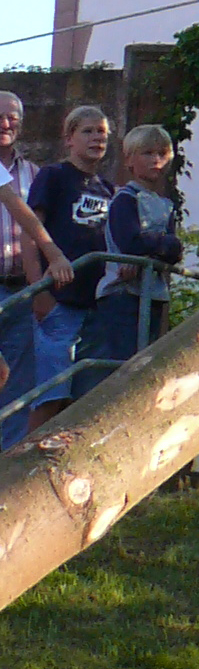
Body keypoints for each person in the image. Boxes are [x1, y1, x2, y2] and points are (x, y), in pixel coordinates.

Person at [65, 121, 185, 398]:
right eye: (147, 153)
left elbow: (175, 248)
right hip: (122, 294)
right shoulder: (125, 199)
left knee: (145, 363)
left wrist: (159, 248)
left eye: (161, 154)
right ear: (130, 159)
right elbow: (131, 241)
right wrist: (159, 247)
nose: (155, 160)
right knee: (117, 365)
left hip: (152, 294)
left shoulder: (165, 205)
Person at [21, 105, 116, 426]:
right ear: (69, 138)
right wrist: (38, 291)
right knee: (52, 393)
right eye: (88, 131)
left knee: (85, 398)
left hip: (95, 305)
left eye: (102, 132)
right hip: (60, 301)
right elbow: (30, 233)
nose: (96, 138)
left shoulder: (108, 188)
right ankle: (24, 466)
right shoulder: (54, 176)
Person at [0, 90, 75, 443]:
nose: (4, 123)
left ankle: (8, 470)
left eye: (11, 117)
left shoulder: (31, 173)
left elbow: (25, 216)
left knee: (19, 383)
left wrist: (53, 258)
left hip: (19, 285)